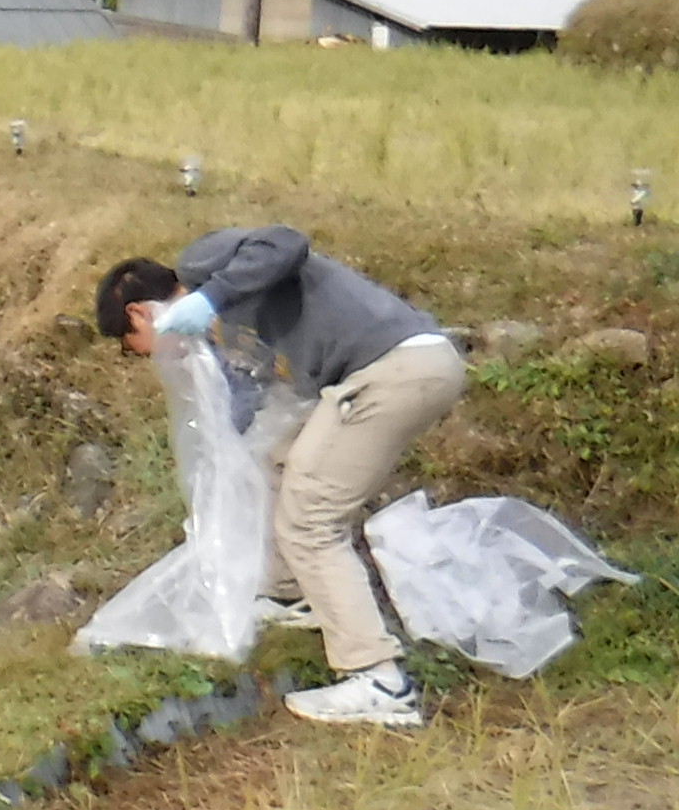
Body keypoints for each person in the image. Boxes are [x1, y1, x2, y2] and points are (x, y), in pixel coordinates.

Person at [97, 229, 468, 732]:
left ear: (140, 314)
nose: (145, 356)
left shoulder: (201, 269)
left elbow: (284, 241)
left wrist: (210, 296)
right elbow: (251, 400)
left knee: (310, 521)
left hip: (395, 369)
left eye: (132, 346)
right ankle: (287, 594)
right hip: (382, 373)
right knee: (275, 461)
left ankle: (379, 679)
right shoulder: (220, 331)